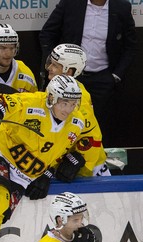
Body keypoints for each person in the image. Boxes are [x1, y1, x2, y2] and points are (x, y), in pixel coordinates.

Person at [0, 76, 95, 242]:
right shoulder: (32, 102)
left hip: (24, 176)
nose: (68, 108)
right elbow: (1, 99)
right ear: (52, 97)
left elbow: (59, 150)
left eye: (72, 103)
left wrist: (50, 171)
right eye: (64, 102)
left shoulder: (77, 122)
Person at [39, 0, 137, 143]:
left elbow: (131, 45)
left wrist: (116, 76)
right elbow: (47, 33)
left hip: (102, 79)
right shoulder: (70, 3)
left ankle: (92, 161)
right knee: (61, 122)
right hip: (70, 77)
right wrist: (54, 64)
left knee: (96, 128)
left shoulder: (121, 7)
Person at [44, 43, 109, 177]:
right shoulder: (57, 87)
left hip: (90, 166)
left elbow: (92, 137)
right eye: (51, 63)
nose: (49, 68)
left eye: (55, 65)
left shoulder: (78, 97)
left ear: (69, 71)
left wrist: (81, 167)